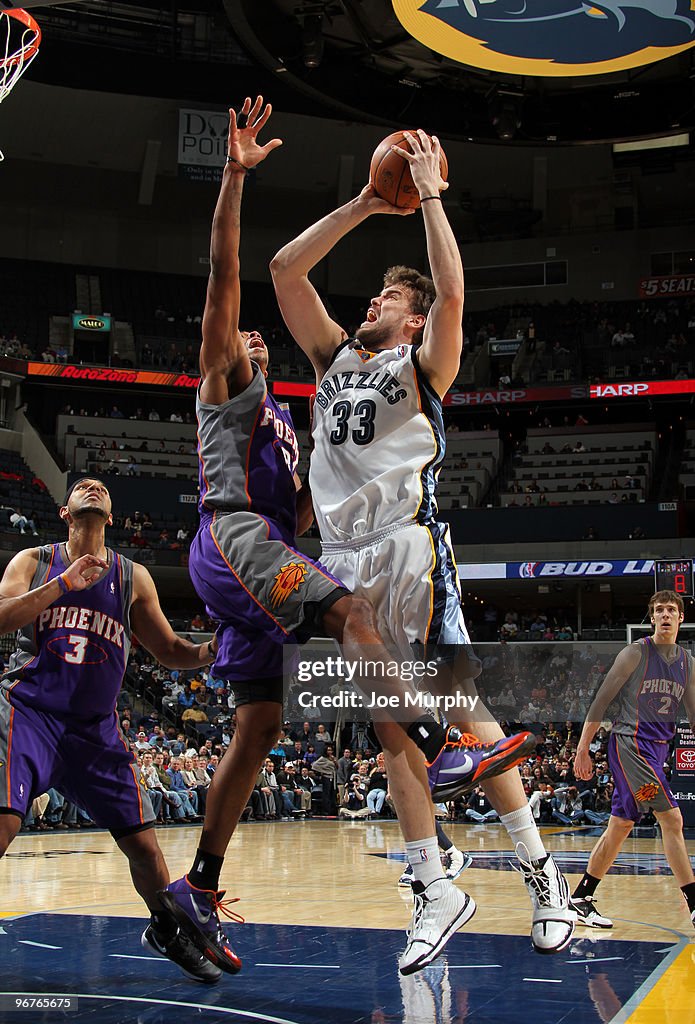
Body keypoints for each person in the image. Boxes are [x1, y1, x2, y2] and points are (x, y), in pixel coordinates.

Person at [159, 98, 529, 979]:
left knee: (257, 727)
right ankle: (440, 744)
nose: (252, 336)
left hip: (259, 552)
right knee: (350, 610)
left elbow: (300, 512)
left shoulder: (298, 420)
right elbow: (233, 273)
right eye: (245, 331)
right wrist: (235, 179)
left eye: (254, 335)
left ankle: (197, 891)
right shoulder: (225, 369)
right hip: (230, 535)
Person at [271, 129, 575, 956]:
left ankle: (543, 880)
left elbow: (450, 294)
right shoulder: (333, 360)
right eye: (370, 296)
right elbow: (284, 271)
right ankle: (434, 888)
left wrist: (430, 196)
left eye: (385, 299)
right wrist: (369, 202)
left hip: (405, 545)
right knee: (390, 724)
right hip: (341, 557)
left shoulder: (422, 365)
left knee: (455, 705)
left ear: (411, 321)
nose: (371, 303)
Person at [0, 476, 221, 984]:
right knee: (6, 823)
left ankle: (167, 929)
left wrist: (213, 649)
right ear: (64, 511)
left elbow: (169, 650)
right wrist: (63, 585)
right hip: (30, 712)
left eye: (101, 487)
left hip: (94, 731)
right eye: (83, 485)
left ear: (113, 516)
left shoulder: (132, 575)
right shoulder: (34, 561)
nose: (93, 486)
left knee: (145, 846)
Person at [572, 590, 695, 930]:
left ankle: (581, 897)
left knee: (622, 824)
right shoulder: (634, 654)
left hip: (658, 750)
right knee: (671, 819)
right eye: (659, 610)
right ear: (652, 617)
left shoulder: (687, 663)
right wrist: (583, 749)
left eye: (671, 610)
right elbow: (599, 703)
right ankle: (694, 901)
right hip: (630, 746)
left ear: (681, 618)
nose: (666, 615)